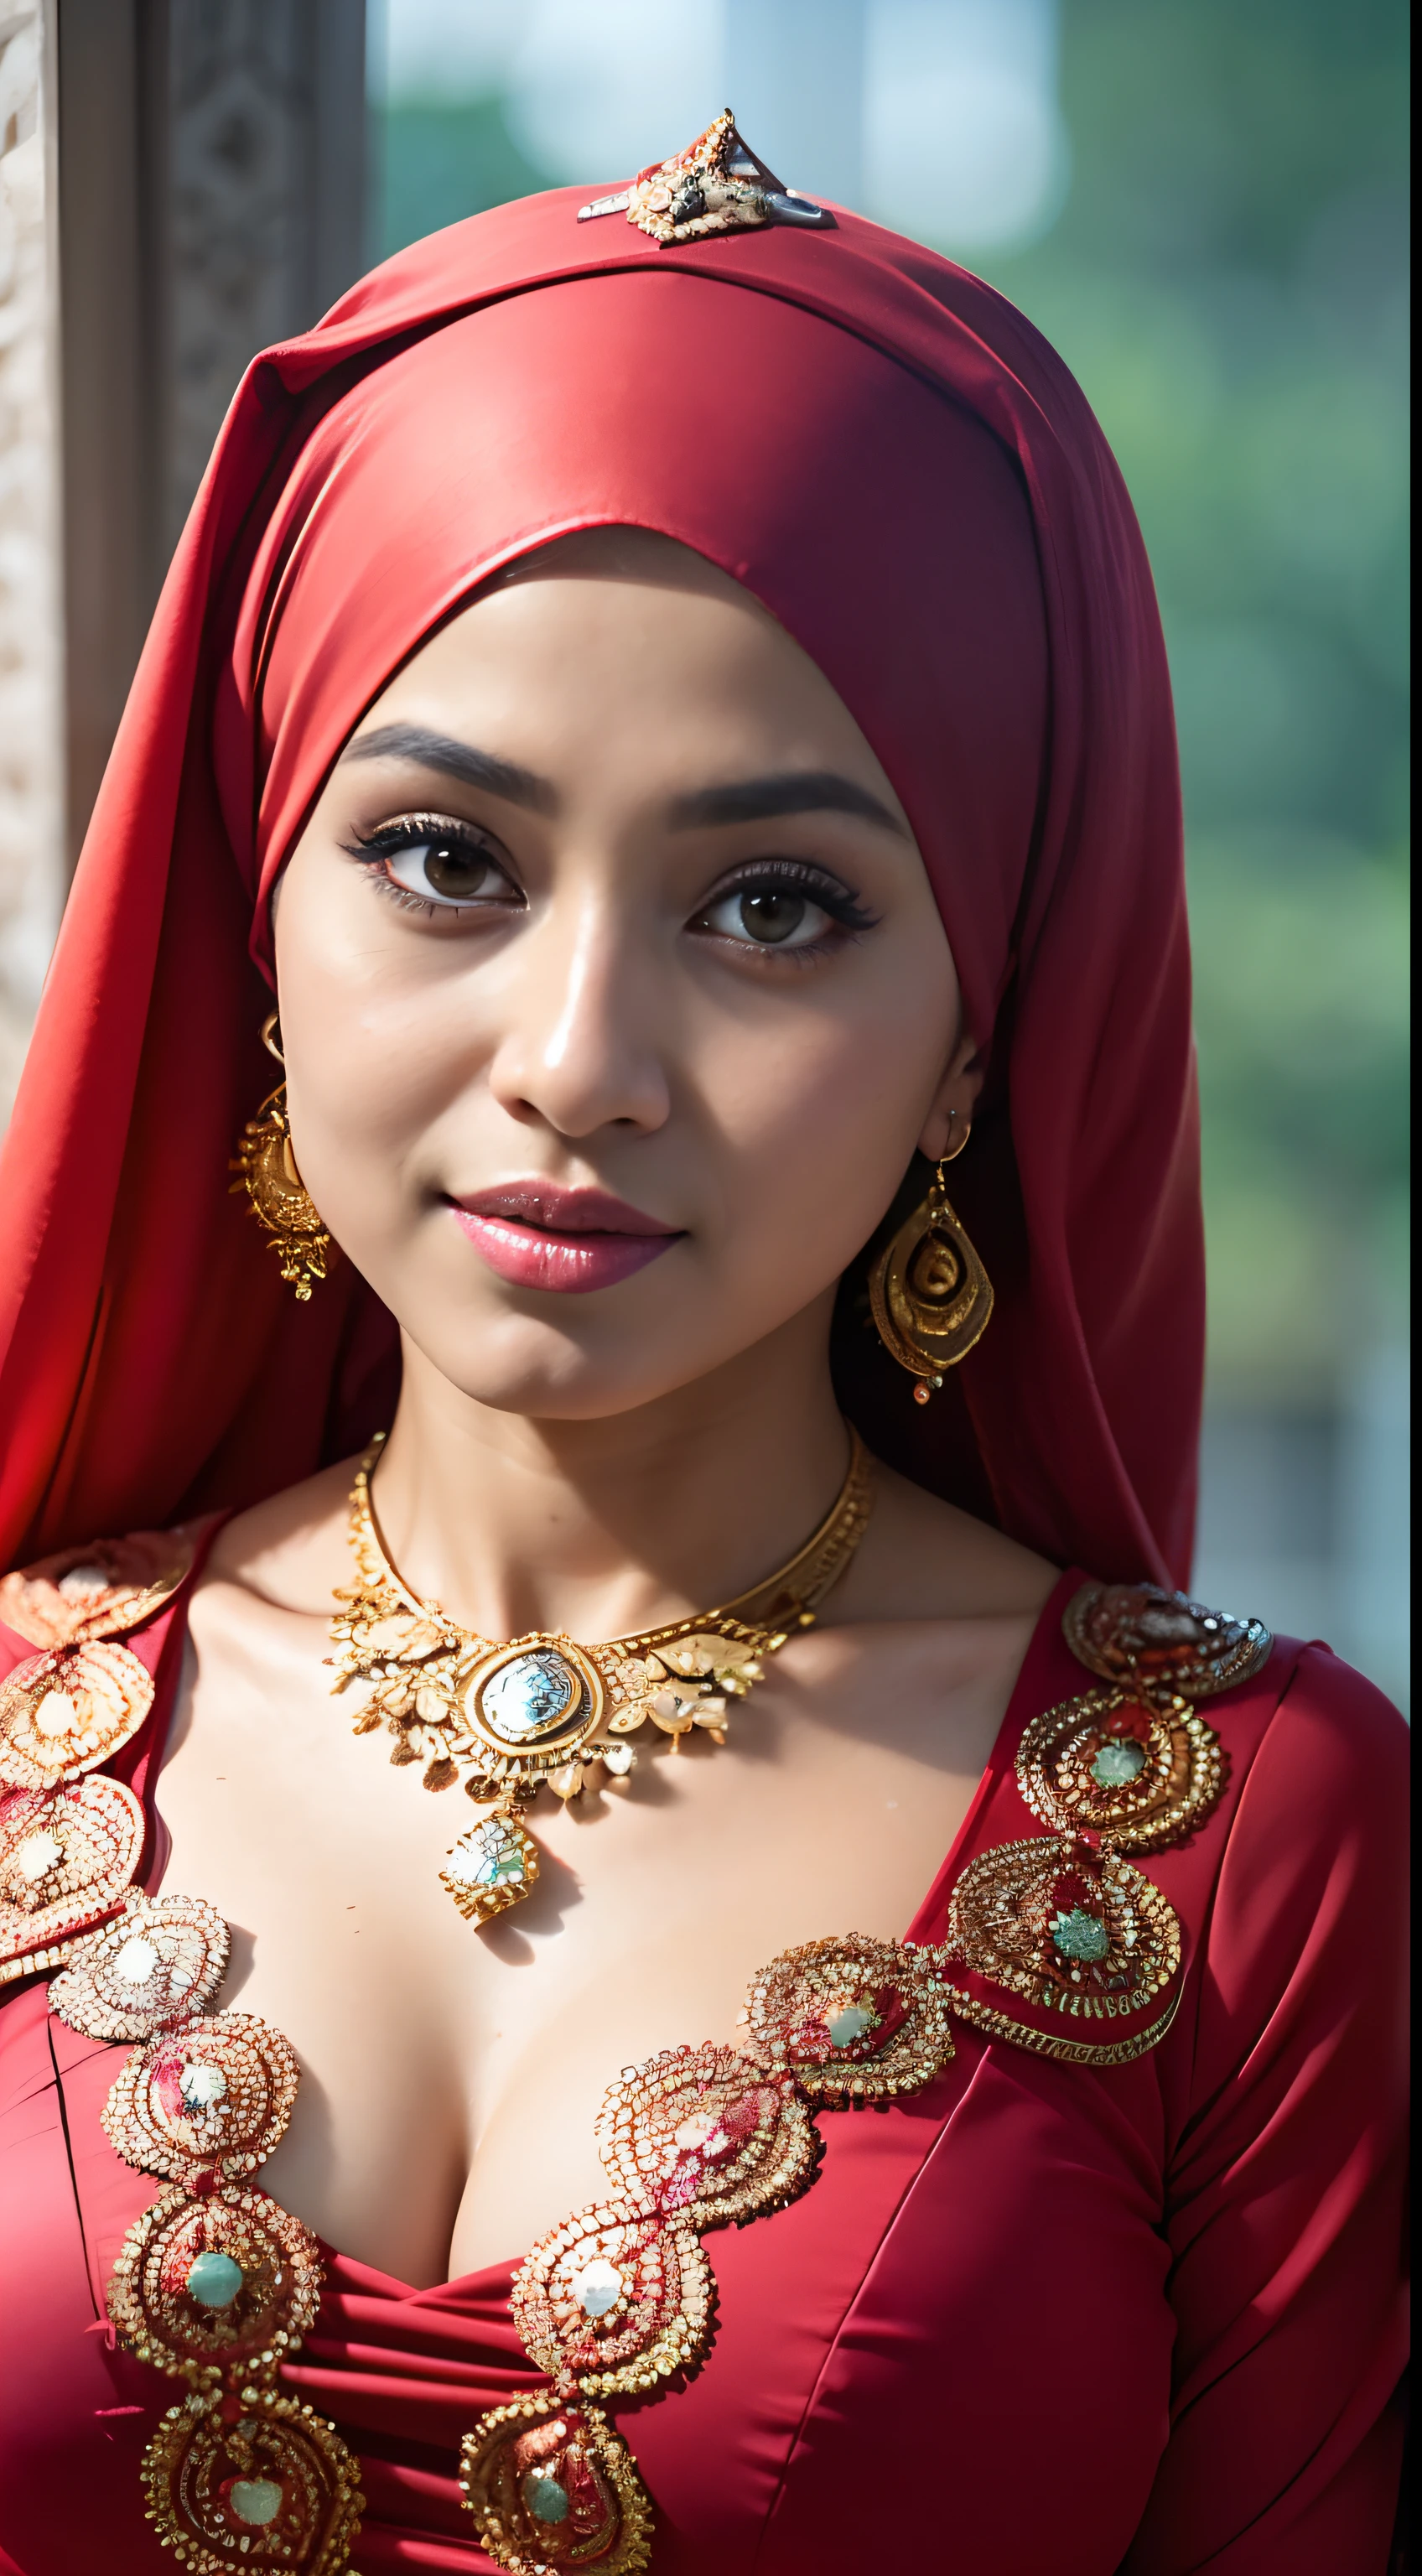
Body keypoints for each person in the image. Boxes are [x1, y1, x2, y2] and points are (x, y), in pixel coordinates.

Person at [0, 119, 1407, 2576]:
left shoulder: (1254, 1844)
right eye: (446, 858)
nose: (582, 1055)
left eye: (774, 905)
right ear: (258, 905)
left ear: (982, 1028)